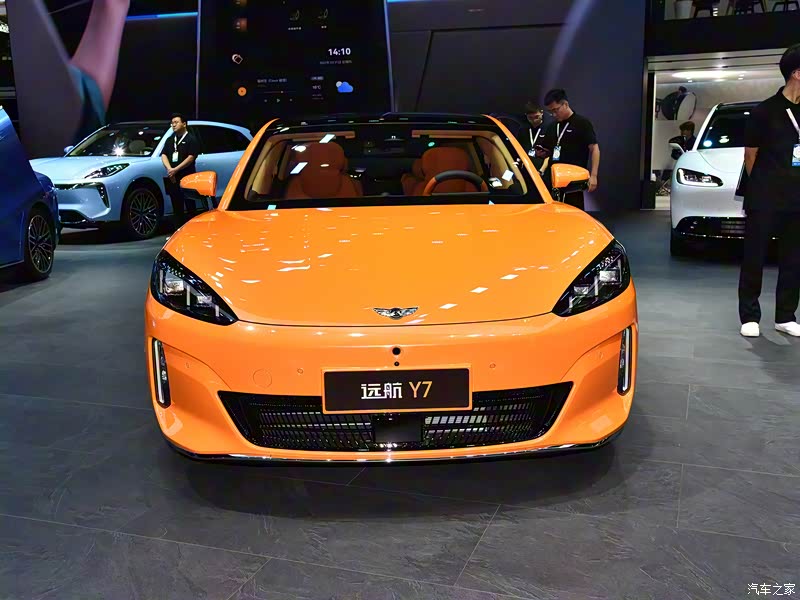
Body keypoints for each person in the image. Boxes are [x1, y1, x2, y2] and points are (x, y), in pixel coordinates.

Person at [738, 44, 800, 338]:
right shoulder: (764, 111)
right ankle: (749, 316)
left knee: (794, 259)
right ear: (796, 73)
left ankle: (785, 316)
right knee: (755, 256)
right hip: (765, 196)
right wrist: (765, 184)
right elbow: (750, 155)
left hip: (797, 198)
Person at [539, 89, 600, 209]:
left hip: (573, 181)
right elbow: (549, 151)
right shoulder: (552, 127)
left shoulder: (582, 123)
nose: (554, 114)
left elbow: (594, 149)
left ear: (565, 104)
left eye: (556, 110)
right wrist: (542, 153)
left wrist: (594, 176)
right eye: (550, 112)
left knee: (573, 212)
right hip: (552, 180)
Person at [161, 113, 200, 227]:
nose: (173, 125)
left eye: (176, 122)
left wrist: (176, 169)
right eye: (172, 123)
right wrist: (170, 169)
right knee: (176, 206)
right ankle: (178, 229)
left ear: (184, 124)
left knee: (190, 205)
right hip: (173, 177)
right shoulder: (170, 140)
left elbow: (191, 157)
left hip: (187, 177)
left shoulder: (191, 139)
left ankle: (192, 230)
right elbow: (164, 155)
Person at [519, 101, 550, 173]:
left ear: (542, 113)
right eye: (530, 118)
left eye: (536, 117)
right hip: (525, 167)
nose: (534, 120)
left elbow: (549, 154)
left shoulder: (549, 128)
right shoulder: (523, 130)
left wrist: (541, 170)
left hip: (541, 167)